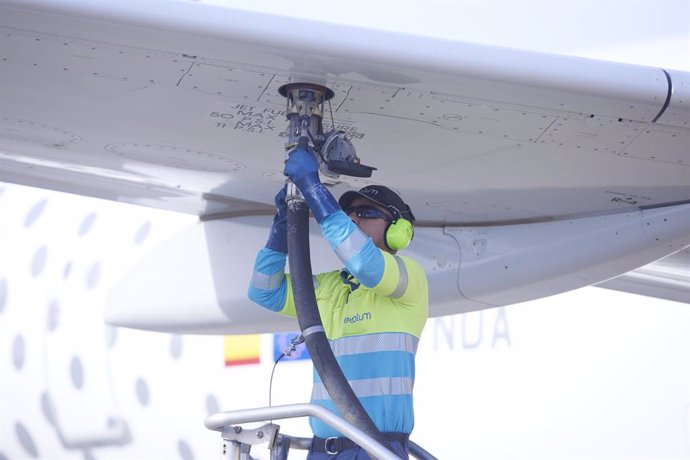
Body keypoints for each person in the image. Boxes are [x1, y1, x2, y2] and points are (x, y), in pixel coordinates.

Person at [248, 145, 428, 459]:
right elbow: (264, 290)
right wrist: (279, 229)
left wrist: (314, 188)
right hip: (323, 451)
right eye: (351, 213)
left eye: (368, 213)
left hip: (376, 448)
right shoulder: (332, 285)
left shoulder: (409, 278)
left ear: (398, 232)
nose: (355, 218)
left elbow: (365, 264)